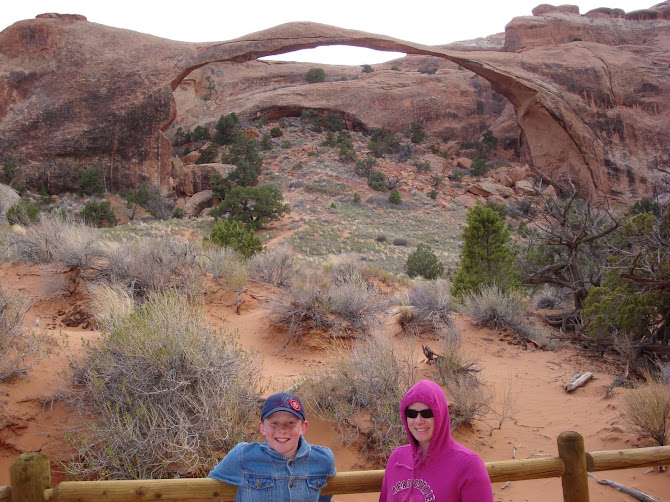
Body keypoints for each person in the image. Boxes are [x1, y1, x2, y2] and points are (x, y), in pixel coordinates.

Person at [208, 392, 336, 502]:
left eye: (290, 423)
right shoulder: (242, 456)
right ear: (262, 427)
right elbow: (208, 491)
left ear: (303, 427)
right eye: (274, 423)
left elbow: (325, 496)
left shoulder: (323, 459)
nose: (282, 430)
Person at [379, 379, 493, 501]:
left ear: (441, 415)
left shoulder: (468, 465)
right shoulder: (397, 458)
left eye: (427, 413)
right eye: (411, 413)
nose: (418, 421)